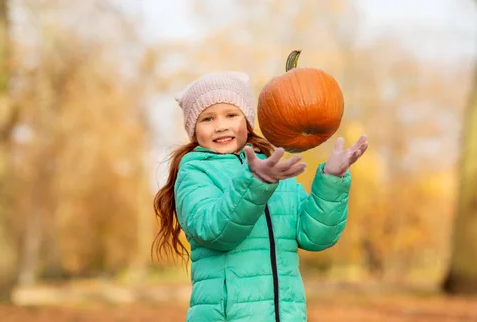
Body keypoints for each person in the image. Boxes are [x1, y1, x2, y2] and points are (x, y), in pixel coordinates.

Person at [152, 71, 368, 322]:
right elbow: (214, 231)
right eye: (208, 118)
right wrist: (256, 183)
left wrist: (332, 180)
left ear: (247, 121)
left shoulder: (273, 169)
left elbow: (315, 237)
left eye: (231, 115)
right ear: (193, 128)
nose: (220, 125)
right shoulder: (195, 171)